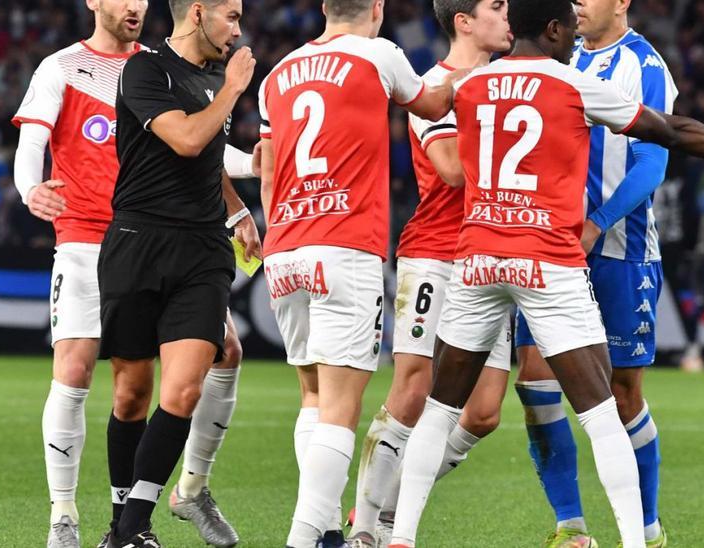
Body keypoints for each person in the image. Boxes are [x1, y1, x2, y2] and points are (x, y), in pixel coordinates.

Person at [387, 0, 704, 545]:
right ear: (551, 29)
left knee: (440, 406)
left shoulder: (472, 82)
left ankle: (400, 536)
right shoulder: (571, 84)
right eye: (568, 27)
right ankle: (634, 539)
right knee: (598, 411)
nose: (575, 35)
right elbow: (670, 129)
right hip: (548, 259)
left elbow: (423, 105)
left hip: (478, 259)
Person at [253, 0, 462, 544]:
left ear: (325, 8)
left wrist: (279, 237)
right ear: (377, 8)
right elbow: (434, 101)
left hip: (285, 247)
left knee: (313, 397)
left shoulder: (277, 75)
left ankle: (324, 529)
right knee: (342, 408)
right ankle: (305, 538)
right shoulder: (378, 54)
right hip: (345, 245)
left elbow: (269, 174)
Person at [509, 0, 675, 544]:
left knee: (622, 394)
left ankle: (647, 530)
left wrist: (599, 223)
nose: (577, 2)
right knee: (535, 380)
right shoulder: (559, 57)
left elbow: (653, 162)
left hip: (620, 250)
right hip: (552, 247)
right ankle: (570, 528)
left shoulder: (645, 67)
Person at [348, 0, 513, 544]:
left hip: (489, 259)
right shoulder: (433, 87)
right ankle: (366, 527)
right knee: (415, 385)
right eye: (496, 6)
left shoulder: (512, 85)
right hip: (436, 253)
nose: (508, 16)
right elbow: (450, 169)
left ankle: (393, 504)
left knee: (484, 412)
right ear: (464, 21)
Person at [98, 0, 255, 545]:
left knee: (184, 388)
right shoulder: (146, 70)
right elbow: (187, 139)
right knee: (131, 395)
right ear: (197, 13)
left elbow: (207, 157)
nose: (237, 29)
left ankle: (133, 527)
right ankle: (122, 524)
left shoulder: (216, 74)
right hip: (138, 241)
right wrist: (233, 90)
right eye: (231, 16)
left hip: (202, 251)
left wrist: (236, 210)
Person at [11, 1, 151, 545]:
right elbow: (32, 145)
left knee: (136, 386)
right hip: (83, 241)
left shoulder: (157, 66)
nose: (135, 4)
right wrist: (30, 189)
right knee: (73, 371)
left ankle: (150, 507)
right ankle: (63, 514)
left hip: (145, 241)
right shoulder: (62, 67)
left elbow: (197, 148)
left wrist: (246, 166)